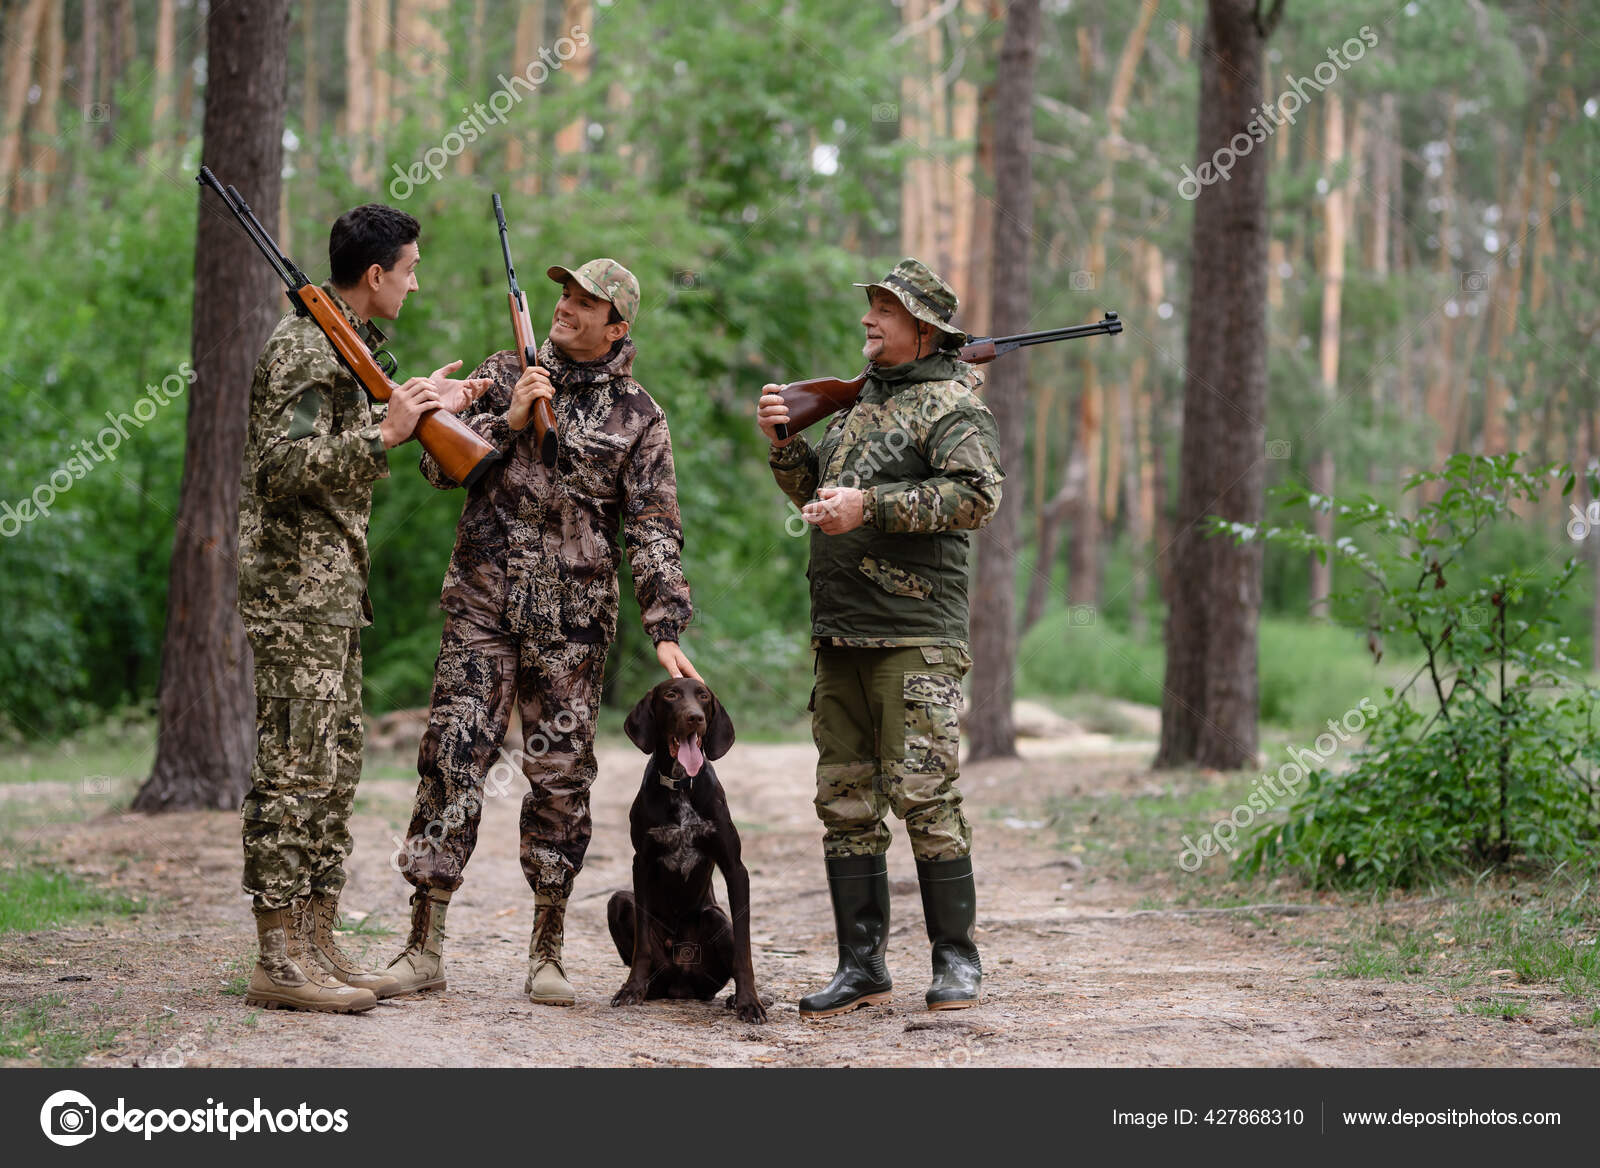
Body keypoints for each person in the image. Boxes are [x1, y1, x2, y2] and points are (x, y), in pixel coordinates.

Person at [385, 258, 696, 1006]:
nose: (567, 309)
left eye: (587, 303)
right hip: (483, 606)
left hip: (573, 627)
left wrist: (665, 624)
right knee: (452, 761)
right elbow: (436, 467)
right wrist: (508, 420)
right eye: (564, 295)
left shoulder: (639, 416)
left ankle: (547, 952)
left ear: (617, 325)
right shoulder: (505, 370)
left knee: (559, 779)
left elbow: (653, 531)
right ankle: (422, 944)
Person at [238, 203, 492, 1013]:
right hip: (294, 595)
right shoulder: (301, 347)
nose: (416, 284)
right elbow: (278, 468)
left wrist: (426, 405)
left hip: (334, 592)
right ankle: (278, 956)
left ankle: (315, 942)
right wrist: (384, 435)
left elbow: (349, 438)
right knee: (294, 771)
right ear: (375, 274)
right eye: (410, 270)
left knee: (334, 767)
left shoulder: (346, 348)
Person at [756, 258, 1004, 1017]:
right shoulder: (861, 403)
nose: (869, 320)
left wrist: (872, 506)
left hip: (913, 634)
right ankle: (861, 967)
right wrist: (785, 446)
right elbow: (818, 494)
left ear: (924, 328)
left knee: (926, 797)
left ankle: (956, 963)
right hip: (841, 633)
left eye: (885, 311)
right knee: (846, 801)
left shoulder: (951, 406)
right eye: (869, 307)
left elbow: (976, 496)